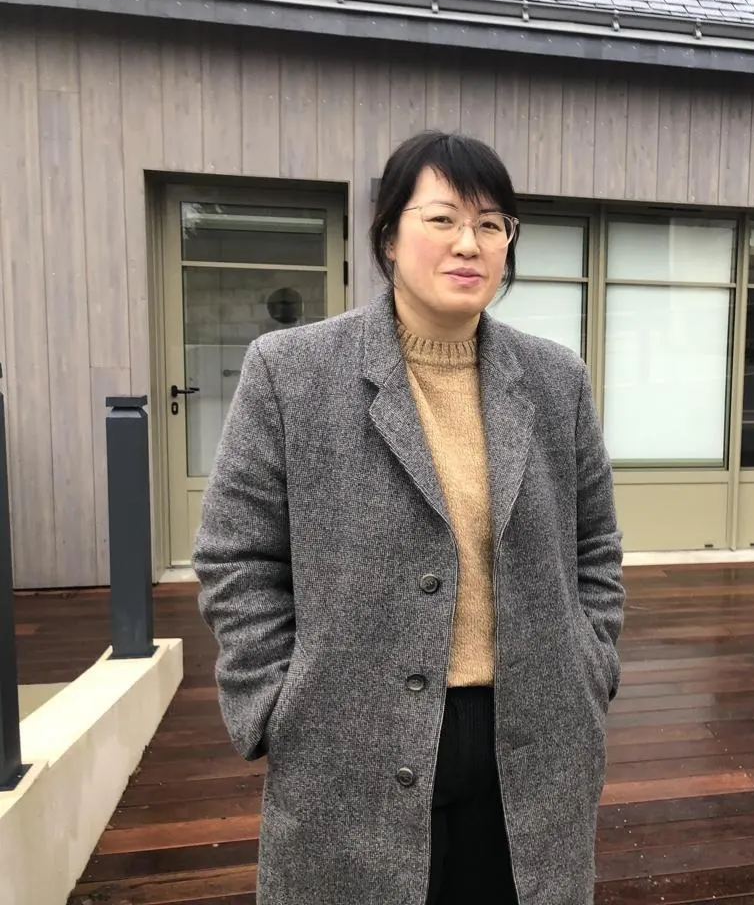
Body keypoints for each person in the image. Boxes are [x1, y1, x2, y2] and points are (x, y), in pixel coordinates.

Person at [194, 130, 625, 905]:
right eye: (443, 219)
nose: (469, 244)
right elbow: (237, 556)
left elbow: (595, 545)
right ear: (389, 235)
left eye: (491, 224)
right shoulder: (292, 372)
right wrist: (274, 701)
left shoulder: (555, 378)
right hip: (349, 736)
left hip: (532, 734)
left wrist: (591, 666)